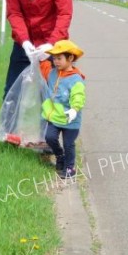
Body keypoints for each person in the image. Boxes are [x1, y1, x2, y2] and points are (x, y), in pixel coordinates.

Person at [3, 0, 73, 98]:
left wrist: (51, 44)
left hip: (53, 45)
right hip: (24, 45)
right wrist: (25, 42)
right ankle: (8, 124)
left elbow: (64, 14)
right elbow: (14, 13)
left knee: (54, 93)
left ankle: (52, 124)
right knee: (11, 93)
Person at [38, 40, 86, 178]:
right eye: (54, 58)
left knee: (68, 144)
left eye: (59, 58)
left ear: (70, 58)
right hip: (54, 116)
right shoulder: (53, 73)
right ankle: (60, 156)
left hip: (70, 119)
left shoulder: (76, 79)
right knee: (50, 137)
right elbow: (44, 68)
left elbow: (78, 96)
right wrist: (41, 59)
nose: (56, 61)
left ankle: (70, 168)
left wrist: (74, 109)